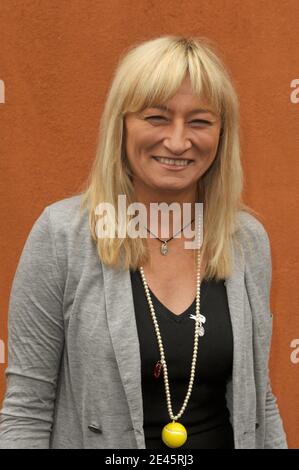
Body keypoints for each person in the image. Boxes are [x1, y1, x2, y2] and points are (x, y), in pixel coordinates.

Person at [0, 35, 287, 449]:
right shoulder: (63, 235)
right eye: (156, 117)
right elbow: (27, 412)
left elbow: (260, 403)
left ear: (223, 134)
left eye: (200, 121)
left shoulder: (245, 241)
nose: (177, 141)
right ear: (121, 124)